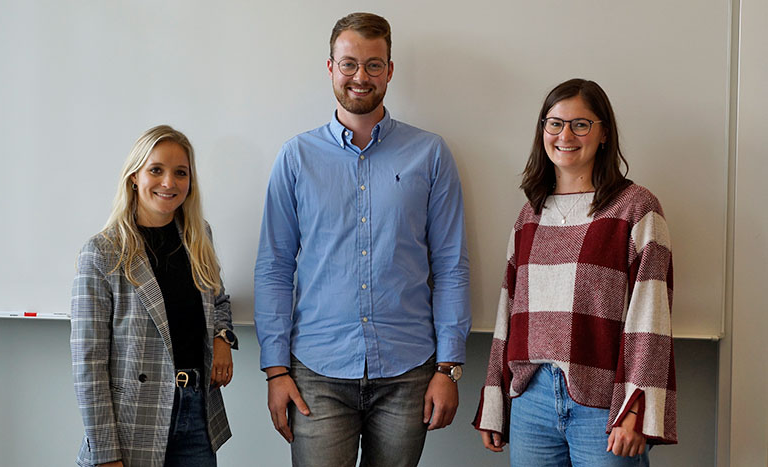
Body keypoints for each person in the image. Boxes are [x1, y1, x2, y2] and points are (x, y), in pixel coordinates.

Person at [254, 12, 471, 467]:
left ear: (390, 71)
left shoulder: (430, 154)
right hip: (316, 371)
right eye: (349, 63)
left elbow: (451, 265)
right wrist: (275, 370)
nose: (360, 76)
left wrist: (448, 368)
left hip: (408, 371)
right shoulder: (296, 157)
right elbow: (274, 265)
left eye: (374, 65)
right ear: (330, 67)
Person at [473, 79, 677, 466]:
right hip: (531, 402)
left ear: (603, 134)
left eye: (580, 124)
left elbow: (651, 319)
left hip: (604, 406)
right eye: (554, 123)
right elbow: (508, 314)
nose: (565, 135)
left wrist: (633, 409)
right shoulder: (530, 215)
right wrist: (495, 402)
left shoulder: (635, 208)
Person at [70, 125, 237, 467]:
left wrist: (222, 339)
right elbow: (87, 363)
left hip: (197, 415)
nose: (168, 183)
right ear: (134, 177)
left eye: (180, 173)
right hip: (133, 422)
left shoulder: (198, 236)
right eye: (156, 170)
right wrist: (105, 454)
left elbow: (218, 300)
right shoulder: (103, 252)